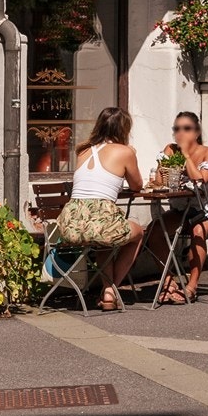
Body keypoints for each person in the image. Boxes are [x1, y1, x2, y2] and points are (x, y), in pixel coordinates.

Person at [54, 106, 146, 311]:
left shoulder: (83, 150)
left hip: (71, 223)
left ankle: (106, 290)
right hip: (99, 219)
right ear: (124, 129)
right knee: (138, 233)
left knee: (103, 241)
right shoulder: (125, 152)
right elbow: (137, 186)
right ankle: (111, 290)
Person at [145, 111, 208, 304]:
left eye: (186, 129)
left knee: (198, 230)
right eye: (176, 129)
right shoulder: (170, 150)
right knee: (154, 231)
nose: (180, 133)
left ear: (196, 132)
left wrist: (186, 154)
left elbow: (199, 181)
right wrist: (160, 170)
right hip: (181, 211)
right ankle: (169, 281)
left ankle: (191, 286)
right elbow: (160, 181)